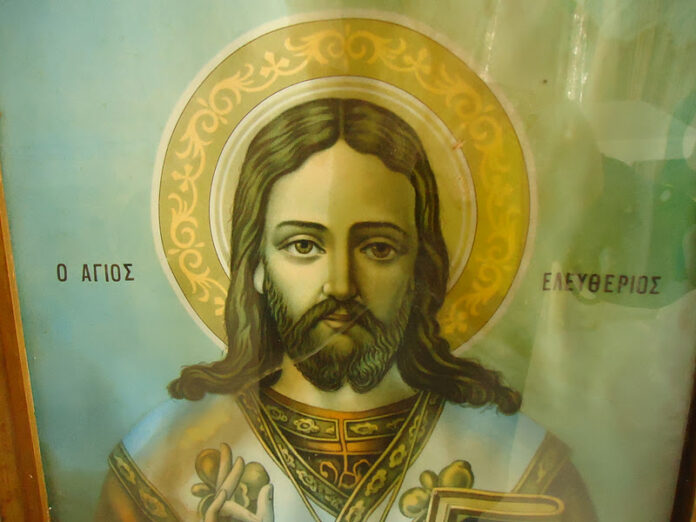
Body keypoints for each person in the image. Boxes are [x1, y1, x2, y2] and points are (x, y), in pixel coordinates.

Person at [96, 98, 596, 521]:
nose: (340, 285)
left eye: (377, 248)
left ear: (420, 268)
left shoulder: (519, 465)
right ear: (256, 265)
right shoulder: (163, 463)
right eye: (304, 245)